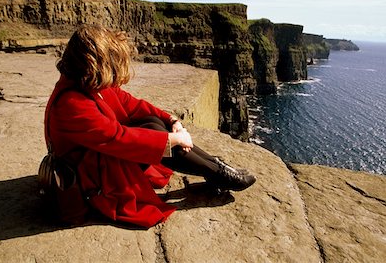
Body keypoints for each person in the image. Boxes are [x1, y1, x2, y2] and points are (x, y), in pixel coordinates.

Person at [44, 24, 256, 228]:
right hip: (88, 180)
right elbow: (118, 138)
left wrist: (172, 121)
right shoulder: (71, 105)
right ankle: (218, 173)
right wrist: (173, 139)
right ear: (95, 64)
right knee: (155, 132)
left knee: (154, 123)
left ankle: (216, 167)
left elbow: (133, 105)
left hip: (98, 159)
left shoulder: (85, 84)